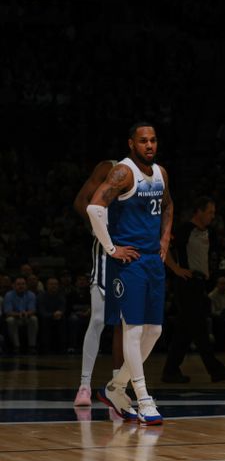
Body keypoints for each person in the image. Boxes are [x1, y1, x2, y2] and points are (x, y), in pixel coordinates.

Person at [89, 122, 172, 426]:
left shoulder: (161, 173)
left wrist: (164, 240)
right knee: (133, 330)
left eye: (152, 140)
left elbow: (168, 205)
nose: (149, 145)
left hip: (151, 260)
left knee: (155, 331)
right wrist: (111, 249)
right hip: (128, 263)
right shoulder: (123, 173)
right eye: (143, 141)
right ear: (131, 144)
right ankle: (143, 397)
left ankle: (115, 388)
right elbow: (94, 208)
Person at [162, 196, 225, 383]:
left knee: (185, 331)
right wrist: (175, 268)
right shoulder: (183, 230)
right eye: (210, 212)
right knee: (199, 329)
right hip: (186, 284)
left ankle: (170, 371)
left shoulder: (209, 233)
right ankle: (215, 370)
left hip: (199, 284)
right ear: (199, 211)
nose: (213, 216)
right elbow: (163, 246)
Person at [72, 159, 127, 407]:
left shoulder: (149, 178)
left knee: (125, 324)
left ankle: (116, 388)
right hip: (106, 249)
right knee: (98, 319)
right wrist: (98, 229)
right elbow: (80, 202)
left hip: (131, 247)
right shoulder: (109, 168)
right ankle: (84, 385)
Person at [3, 276, 38, 354]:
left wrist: (26, 313)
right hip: (15, 318)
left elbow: (33, 310)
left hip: (26, 317)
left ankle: (32, 346)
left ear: (26, 285)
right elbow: (7, 312)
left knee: (34, 319)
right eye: (18, 284)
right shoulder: (9, 295)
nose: (21, 286)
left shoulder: (31, 294)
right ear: (13, 285)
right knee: (10, 320)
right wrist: (18, 314)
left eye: (23, 284)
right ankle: (16, 346)